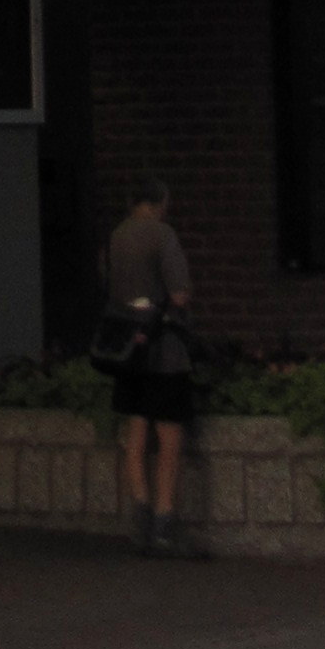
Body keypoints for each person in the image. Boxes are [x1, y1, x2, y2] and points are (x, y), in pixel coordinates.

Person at [102, 178, 197, 554]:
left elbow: (110, 288)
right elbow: (179, 293)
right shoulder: (162, 235)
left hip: (128, 348)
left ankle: (138, 510)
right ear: (161, 201)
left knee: (137, 429)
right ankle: (163, 519)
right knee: (170, 437)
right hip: (164, 349)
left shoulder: (117, 237)